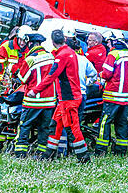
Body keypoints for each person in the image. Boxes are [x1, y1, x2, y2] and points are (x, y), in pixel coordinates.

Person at [30, 29, 91, 162]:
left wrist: (35, 90)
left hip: (68, 99)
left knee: (72, 128)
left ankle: (84, 157)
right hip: (68, 98)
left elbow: (51, 76)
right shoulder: (70, 53)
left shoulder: (61, 56)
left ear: (52, 42)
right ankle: (48, 155)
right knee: (55, 125)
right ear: (64, 39)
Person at [14, 33, 57, 158]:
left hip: (33, 101)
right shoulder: (51, 56)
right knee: (44, 127)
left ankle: (20, 152)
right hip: (49, 101)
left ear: (31, 43)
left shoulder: (30, 59)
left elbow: (22, 78)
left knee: (25, 125)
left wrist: (17, 71)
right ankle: (41, 152)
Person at [96, 30, 128, 156]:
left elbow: (107, 74)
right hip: (126, 96)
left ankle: (101, 150)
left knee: (104, 122)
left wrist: (99, 75)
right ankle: (121, 150)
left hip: (112, 95)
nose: (107, 44)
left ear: (114, 41)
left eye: (108, 41)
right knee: (122, 123)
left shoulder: (113, 54)